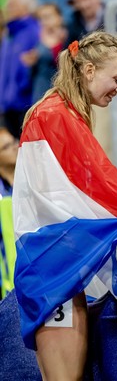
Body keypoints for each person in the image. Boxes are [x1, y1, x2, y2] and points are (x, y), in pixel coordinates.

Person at [12, 30, 117, 380]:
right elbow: (92, 177)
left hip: (57, 265)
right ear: (89, 70)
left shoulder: (63, 112)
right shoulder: (54, 113)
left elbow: (86, 180)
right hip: (50, 264)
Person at [0, 0, 40, 138]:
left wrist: (22, 89)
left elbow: (31, 66)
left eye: (12, 4)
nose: (7, 8)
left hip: (25, 103)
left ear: (25, 7)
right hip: (8, 104)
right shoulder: (9, 33)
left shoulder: (34, 30)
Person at [0, 127, 18, 300]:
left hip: (32, 282)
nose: (14, 147)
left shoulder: (29, 183)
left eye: (14, 142)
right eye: (6, 147)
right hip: (7, 291)